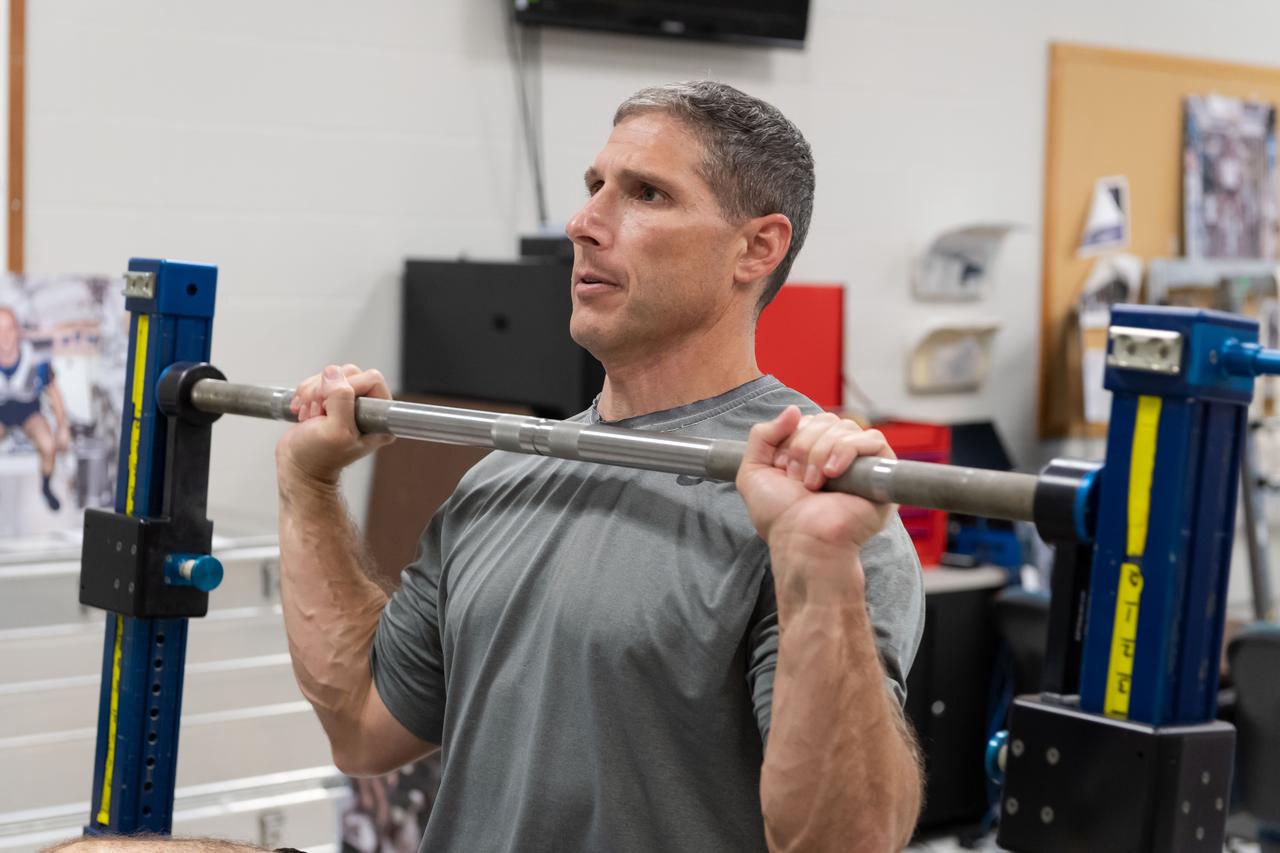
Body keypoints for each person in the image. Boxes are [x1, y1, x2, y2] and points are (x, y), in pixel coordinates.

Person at [51, 81, 925, 853]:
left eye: (646, 193)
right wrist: (309, 482)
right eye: (593, 187)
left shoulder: (819, 507)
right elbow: (362, 724)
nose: (585, 222)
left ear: (756, 249)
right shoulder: (503, 480)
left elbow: (841, 842)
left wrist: (815, 562)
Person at [0, 305, 71, 511]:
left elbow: (54, 392)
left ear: (17, 331)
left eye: (8, 329)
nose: (4, 336)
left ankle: (46, 488)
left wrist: (62, 426)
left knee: (48, 446)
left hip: (28, 410)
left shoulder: (36, 357)